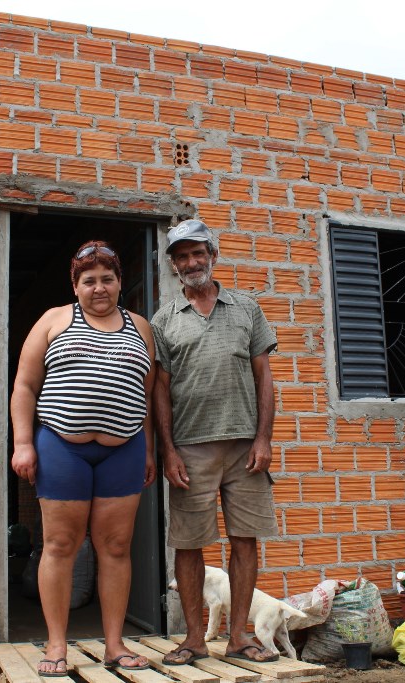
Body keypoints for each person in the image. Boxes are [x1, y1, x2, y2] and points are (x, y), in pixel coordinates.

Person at [10, 240, 156, 676]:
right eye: (89, 280)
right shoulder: (53, 320)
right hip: (61, 447)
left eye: (107, 279)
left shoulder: (140, 327)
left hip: (124, 450)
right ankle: (56, 645)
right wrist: (23, 443)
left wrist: (148, 448)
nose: (99, 288)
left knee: (116, 546)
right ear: (75, 286)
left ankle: (114, 645)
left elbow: (146, 394)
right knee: (60, 544)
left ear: (119, 282)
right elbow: (25, 386)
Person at [151, 219, 280, 665]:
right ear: (173, 265)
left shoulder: (247, 308)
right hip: (190, 448)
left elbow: (264, 377)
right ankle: (193, 639)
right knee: (189, 543)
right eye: (182, 256)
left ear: (213, 255)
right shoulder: (164, 319)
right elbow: (160, 390)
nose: (191, 262)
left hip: (245, 448)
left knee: (244, 539)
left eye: (198, 253)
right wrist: (168, 450)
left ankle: (239, 636)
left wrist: (264, 438)